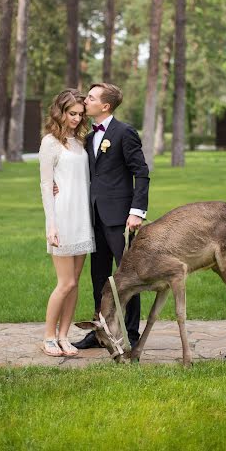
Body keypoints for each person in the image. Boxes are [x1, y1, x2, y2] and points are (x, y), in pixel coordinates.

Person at [73, 82, 150, 349]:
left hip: (121, 218)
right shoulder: (88, 136)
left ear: (105, 106)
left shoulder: (125, 132)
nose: (86, 101)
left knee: (127, 276)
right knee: (99, 276)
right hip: (92, 217)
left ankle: (130, 333)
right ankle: (100, 331)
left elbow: (141, 173)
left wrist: (136, 212)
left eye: (91, 98)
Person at [39, 89, 95, 357]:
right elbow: (46, 185)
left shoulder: (80, 141)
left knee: (75, 282)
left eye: (80, 114)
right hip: (62, 217)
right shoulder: (50, 142)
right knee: (65, 283)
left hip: (82, 217)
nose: (76, 118)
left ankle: (64, 336)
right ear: (60, 112)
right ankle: (48, 336)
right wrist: (51, 225)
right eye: (71, 113)